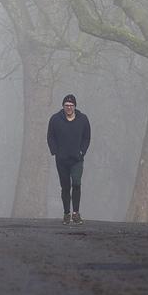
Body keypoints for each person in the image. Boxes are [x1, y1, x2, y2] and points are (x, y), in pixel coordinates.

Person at [47, 94, 91, 225]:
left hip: (77, 159)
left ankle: (76, 213)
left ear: (75, 106)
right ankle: (67, 213)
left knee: (76, 183)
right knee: (65, 187)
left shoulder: (83, 119)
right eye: (66, 105)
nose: (69, 108)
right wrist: (55, 151)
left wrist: (82, 151)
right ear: (63, 106)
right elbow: (50, 136)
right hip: (61, 160)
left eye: (71, 105)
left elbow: (87, 137)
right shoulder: (55, 119)